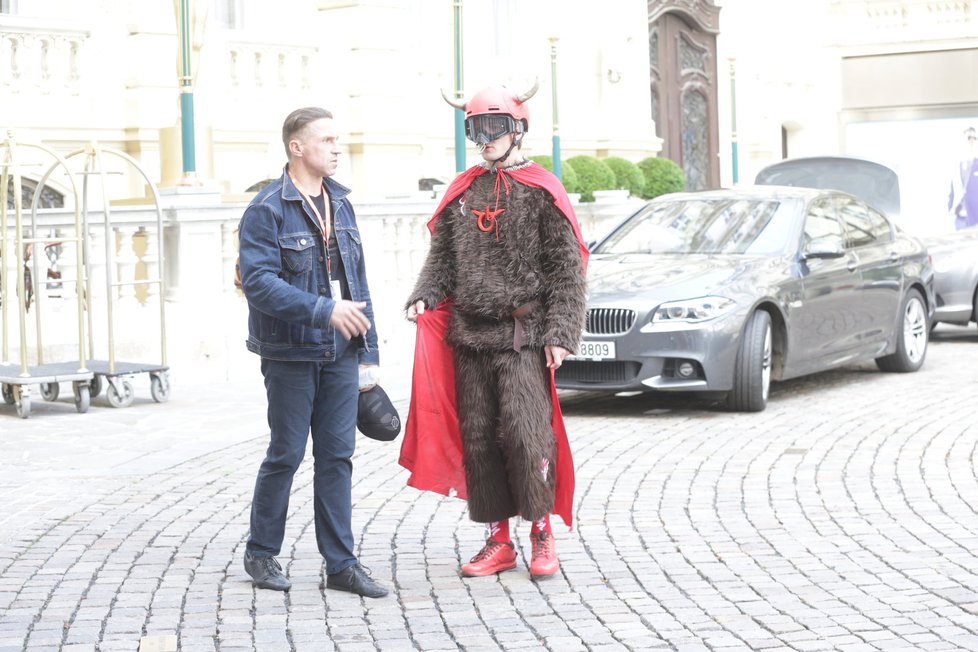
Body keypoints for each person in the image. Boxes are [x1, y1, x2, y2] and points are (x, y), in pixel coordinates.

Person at [400, 83, 588, 579]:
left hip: (522, 337)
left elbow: (567, 269)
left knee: (528, 438)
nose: (482, 139)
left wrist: (561, 333)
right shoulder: (464, 189)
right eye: (475, 129)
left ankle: (541, 533)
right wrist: (425, 294)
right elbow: (442, 259)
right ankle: (498, 540)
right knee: (479, 438)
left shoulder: (541, 189)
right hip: (469, 337)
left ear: (516, 130)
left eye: (492, 128)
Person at [237, 107, 388, 598]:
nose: (336, 148)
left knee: (338, 457)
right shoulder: (266, 209)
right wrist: (324, 311)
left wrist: (370, 351)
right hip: (290, 353)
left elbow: (357, 281)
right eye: (326, 140)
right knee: (286, 453)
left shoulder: (341, 204)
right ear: (296, 147)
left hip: (342, 353)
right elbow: (258, 284)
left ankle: (340, 565)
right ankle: (261, 553)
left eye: (337, 139)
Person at [949, 126, 978, 230]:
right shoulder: (956, 166)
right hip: (959, 220)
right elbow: (951, 192)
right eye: (969, 137)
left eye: (975, 138)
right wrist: (949, 210)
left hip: (975, 219)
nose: (972, 141)